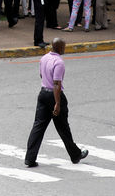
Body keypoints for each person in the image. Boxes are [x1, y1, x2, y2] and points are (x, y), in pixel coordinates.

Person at [24, 38, 88, 168]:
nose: (64, 49)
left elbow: (42, 75)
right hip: (54, 96)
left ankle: (30, 158)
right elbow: (57, 84)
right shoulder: (59, 62)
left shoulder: (44, 58)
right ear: (59, 48)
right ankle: (75, 155)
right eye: (63, 47)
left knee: (38, 126)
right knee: (63, 128)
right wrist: (57, 103)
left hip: (43, 94)